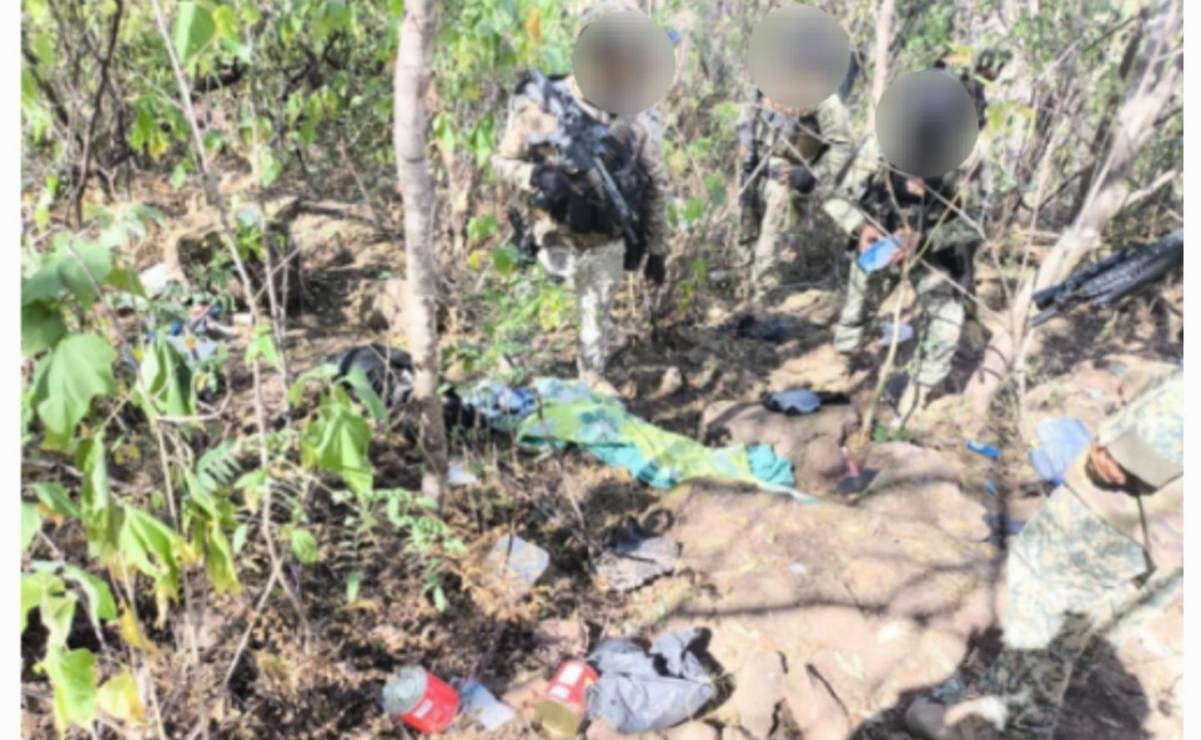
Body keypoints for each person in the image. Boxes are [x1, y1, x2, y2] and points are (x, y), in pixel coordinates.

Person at [906, 367, 1183, 740]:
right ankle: (1056, 682)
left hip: (1109, 520)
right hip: (1165, 533)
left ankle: (1004, 727)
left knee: (1042, 608)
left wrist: (1102, 443)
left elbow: (1116, 463)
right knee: (1094, 614)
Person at [491, 1, 670, 392]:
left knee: (595, 322)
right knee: (527, 316)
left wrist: (657, 249)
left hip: (607, 242)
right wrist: (537, 173)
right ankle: (508, 377)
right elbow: (501, 162)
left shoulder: (633, 115)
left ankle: (591, 380)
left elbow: (655, 184)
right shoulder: (544, 106)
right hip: (552, 235)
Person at [831, 65, 988, 420]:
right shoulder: (881, 143)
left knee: (948, 320)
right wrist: (860, 228)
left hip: (935, 249)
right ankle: (847, 361)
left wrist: (928, 241)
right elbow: (836, 196)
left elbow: (979, 223)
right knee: (859, 297)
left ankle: (917, 397)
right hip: (885, 240)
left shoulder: (972, 156)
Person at [736, 50, 874, 308]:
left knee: (772, 223)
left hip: (791, 164)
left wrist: (810, 175)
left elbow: (842, 149)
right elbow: (748, 118)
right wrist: (746, 152)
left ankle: (761, 294)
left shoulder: (826, 101)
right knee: (747, 220)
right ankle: (744, 279)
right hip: (759, 159)